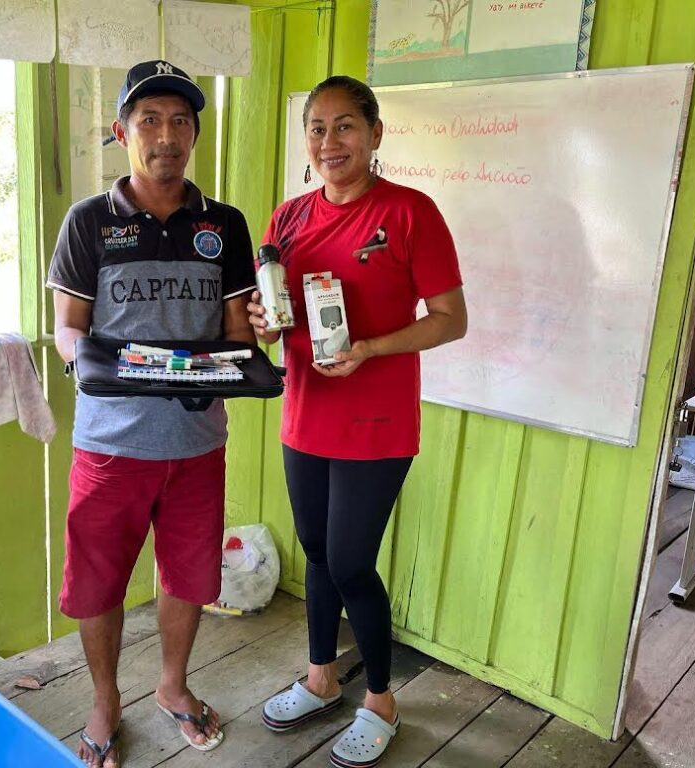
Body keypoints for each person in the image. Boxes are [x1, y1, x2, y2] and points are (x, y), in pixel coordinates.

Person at [250, 75, 467, 768]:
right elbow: (271, 316)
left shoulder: (410, 212)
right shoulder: (287, 219)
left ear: (374, 133)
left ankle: (380, 700)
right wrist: (262, 323)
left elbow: (450, 319)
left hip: (377, 422)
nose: (329, 141)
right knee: (316, 552)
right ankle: (321, 677)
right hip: (305, 413)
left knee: (349, 562)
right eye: (317, 128)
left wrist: (370, 347)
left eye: (345, 125)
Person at [47, 60, 257, 768]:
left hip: (197, 439)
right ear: (122, 132)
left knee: (189, 575)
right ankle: (105, 701)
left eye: (180, 121)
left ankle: (172, 685)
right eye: (149, 121)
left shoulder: (224, 224)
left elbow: (237, 332)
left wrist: (257, 336)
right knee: (98, 582)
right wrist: (91, 364)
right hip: (111, 443)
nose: (166, 135)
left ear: (194, 133)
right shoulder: (89, 221)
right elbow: (67, 328)